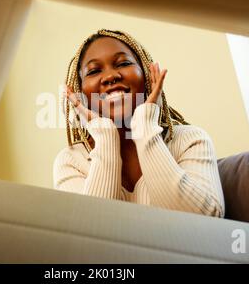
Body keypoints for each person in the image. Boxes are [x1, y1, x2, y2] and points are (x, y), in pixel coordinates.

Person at [53, 29, 224, 217]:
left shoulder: (190, 140)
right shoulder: (71, 161)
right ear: (80, 91)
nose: (110, 76)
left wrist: (144, 128)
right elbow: (89, 236)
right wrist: (105, 136)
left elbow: (206, 221)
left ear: (147, 76)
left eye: (124, 63)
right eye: (94, 71)